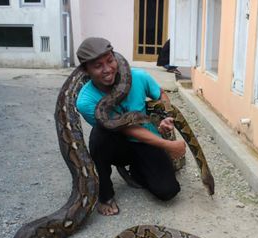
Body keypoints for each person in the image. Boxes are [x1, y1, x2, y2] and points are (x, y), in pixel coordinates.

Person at [76, 37, 186, 216]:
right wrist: (168, 145)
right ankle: (105, 194)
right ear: (85, 70)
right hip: (118, 143)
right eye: (98, 66)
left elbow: (162, 95)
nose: (107, 69)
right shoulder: (86, 100)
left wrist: (166, 118)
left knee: (168, 191)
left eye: (110, 61)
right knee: (99, 135)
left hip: (147, 141)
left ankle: (134, 171)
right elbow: (125, 128)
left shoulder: (138, 77)